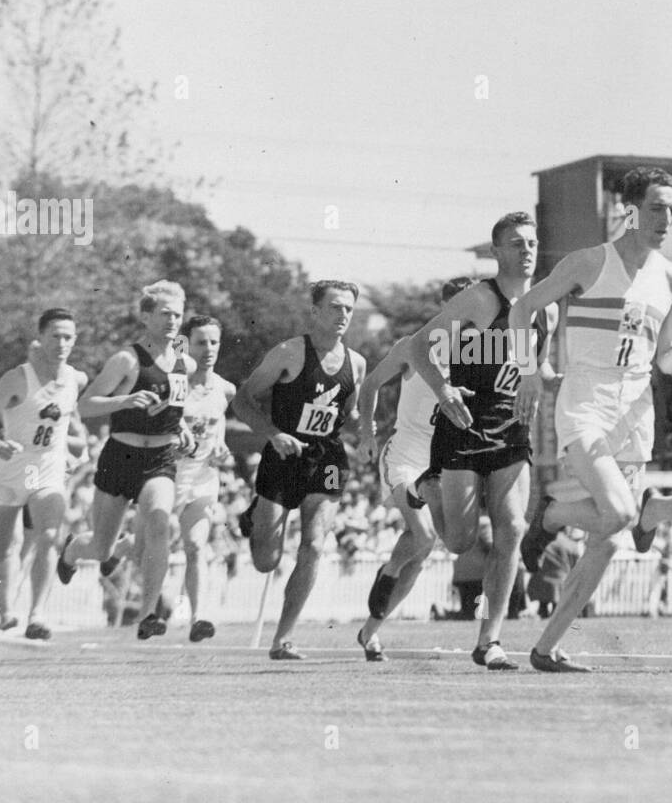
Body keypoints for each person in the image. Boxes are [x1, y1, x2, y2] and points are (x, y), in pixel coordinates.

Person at [510, 167, 672, 672]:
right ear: (630, 210)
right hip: (586, 399)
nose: (666, 217)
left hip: (636, 412)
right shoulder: (589, 263)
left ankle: (546, 647)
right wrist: (528, 370)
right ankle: (551, 515)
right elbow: (523, 308)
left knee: (610, 541)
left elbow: (666, 365)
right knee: (618, 514)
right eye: (656, 207)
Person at [405, 213, 558, 671]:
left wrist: (563, 380)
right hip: (464, 423)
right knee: (459, 541)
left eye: (531, 242)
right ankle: (429, 491)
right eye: (515, 243)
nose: (526, 249)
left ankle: (489, 640)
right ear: (496, 252)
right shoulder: (479, 300)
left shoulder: (545, 307)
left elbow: (538, 370)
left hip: (511, 427)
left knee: (512, 529)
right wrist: (444, 388)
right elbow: (418, 347)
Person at [57, 281, 197, 640]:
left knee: (159, 523)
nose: (171, 321)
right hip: (121, 454)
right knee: (101, 547)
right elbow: (85, 405)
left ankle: (149, 614)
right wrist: (124, 401)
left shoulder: (186, 364)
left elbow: (172, 405)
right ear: (146, 316)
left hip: (161, 458)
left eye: (177, 315)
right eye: (164, 314)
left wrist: (181, 426)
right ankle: (73, 549)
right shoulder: (127, 360)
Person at [234, 280, 366, 659]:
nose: (343, 316)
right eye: (336, 307)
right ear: (315, 311)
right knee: (266, 561)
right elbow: (243, 401)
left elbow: (349, 411)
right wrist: (272, 433)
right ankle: (255, 517)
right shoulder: (289, 353)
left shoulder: (355, 363)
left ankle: (283, 639)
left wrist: (366, 428)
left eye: (349, 309)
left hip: (326, 458)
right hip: (284, 452)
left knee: (313, 544)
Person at [354, 277, 473, 660]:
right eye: (457, 308)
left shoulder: (478, 353)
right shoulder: (414, 347)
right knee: (421, 536)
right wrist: (367, 431)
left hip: (442, 460)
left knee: (424, 552)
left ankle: (371, 632)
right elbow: (371, 384)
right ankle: (388, 570)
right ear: (443, 307)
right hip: (405, 454)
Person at [0, 309, 88, 639]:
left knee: (49, 535)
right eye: (55, 336)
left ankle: (37, 615)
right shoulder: (17, 379)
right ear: (41, 338)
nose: (62, 343)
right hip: (10, 470)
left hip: (46, 471)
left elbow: (71, 425)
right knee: (2, 551)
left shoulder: (76, 379)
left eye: (68, 337)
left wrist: (77, 449)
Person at [169, 314, 235, 642]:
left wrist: (221, 448)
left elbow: (216, 424)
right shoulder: (175, 382)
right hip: (169, 475)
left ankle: (198, 617)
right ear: (187, 344)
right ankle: (81, 550)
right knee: (148, 546)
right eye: (200, 342)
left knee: (196, 546)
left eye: (214, 342)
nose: (208, 349)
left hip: (204, 477)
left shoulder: (224, 388)